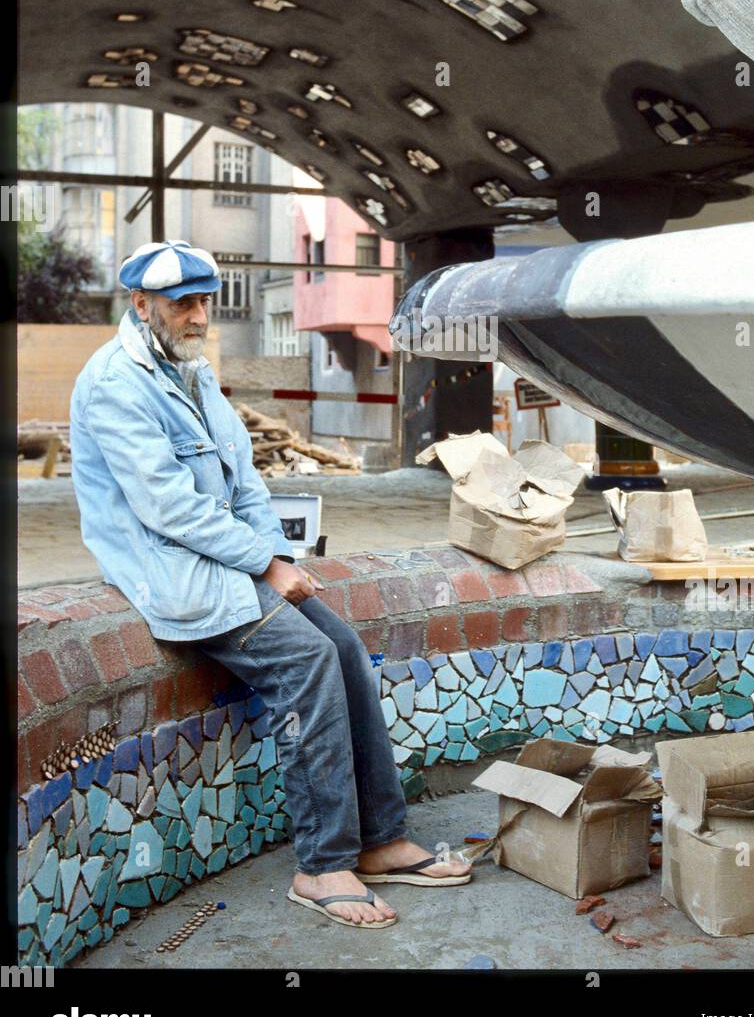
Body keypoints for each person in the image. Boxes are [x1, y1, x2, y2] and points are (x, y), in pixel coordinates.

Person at [69, 238, 471, 929]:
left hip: (224, 559)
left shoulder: (189, 372)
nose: (199, 316)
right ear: (141, 306)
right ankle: (322, 867)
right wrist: (264, 564)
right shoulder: (114, 383)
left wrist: (276, 555)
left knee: (342, 646)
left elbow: (245, 481)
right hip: (172, 569)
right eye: (182, 304)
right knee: (307, 663)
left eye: (203, 301)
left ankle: (378, 839)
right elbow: (167, 506)